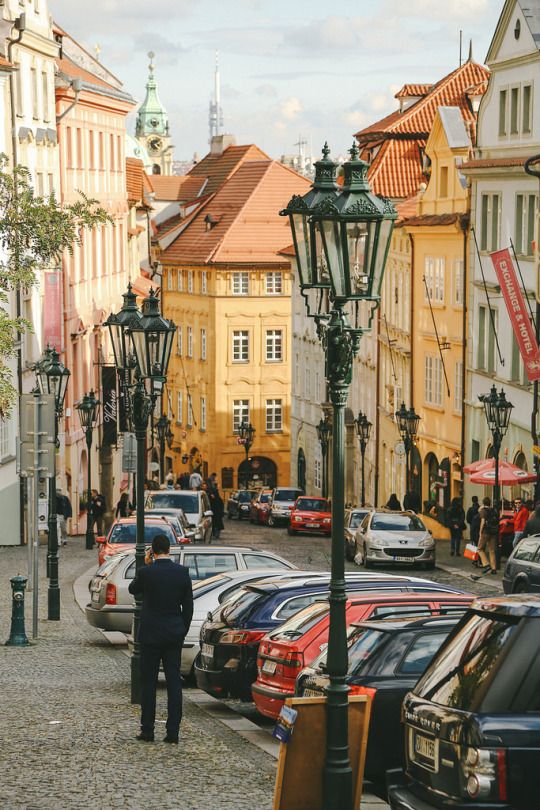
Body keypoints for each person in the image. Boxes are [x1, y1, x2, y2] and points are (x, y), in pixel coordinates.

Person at [128, 533, 193, 744]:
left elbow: (133, 589)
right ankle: (172, 732)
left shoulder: (147, 572)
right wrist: (182, 629)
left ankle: (147, 729)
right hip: (173, 634)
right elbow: (188, 607)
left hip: (150, 635)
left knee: (149, 683)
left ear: (152, 552)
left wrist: (144, 564)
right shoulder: (182, 573)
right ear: (169, 550)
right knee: (174, 682)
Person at [477, 496, 498, 574]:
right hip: (493, 532)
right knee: (492, 550)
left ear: (483, 503)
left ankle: (486, 564)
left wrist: (480, 531)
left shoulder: (483, 511)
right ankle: (494, 569)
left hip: (485, 532)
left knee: (479, 549)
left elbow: (482, 521)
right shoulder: (493, 510)